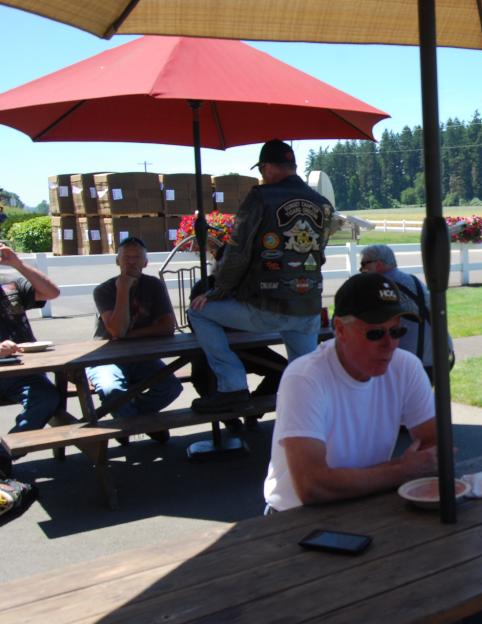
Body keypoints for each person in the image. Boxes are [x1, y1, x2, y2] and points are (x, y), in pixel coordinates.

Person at [263, 272, 482, 624]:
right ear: (339, 330)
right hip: (296, 523)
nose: (390, 344)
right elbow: (313, 485)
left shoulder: (404, 366)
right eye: (375, 333)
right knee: (338, 618)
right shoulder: (305, 378)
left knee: (476, 562)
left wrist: (405, 470)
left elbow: (437, 447)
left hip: (373, 506)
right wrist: (403, 470)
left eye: (397, 331)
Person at [189, 139, 333, 414]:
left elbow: (237, 252)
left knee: (199, 312)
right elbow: (319, 252)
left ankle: (232, 385)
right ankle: (315, 423)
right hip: (307, 305)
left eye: (262, 169)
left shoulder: (260, 197)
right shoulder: (322, 204)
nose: (263, 175)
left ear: (267, 167)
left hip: (267, 304)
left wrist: (218, 290)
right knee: (306, 377)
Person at [87, 237, 182, 443]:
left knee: (171, 387)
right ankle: (141, 424)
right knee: (111, 390)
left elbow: (167, 327)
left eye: (137, 257)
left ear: (145, 262)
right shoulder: (103, 290)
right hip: (106, 357)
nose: (131, 262)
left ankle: (128, 423)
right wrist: (123, 289)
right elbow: (116, 329)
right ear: (117, 261)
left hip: (142, 356)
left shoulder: (154, 285)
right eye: (126, 258)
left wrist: (128, 336)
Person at [188, 245, 286, 431]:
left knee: (282, 369)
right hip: (212, 349)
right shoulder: (204, 285)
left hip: (250, 348)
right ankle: (229, 419)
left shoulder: (250, 287)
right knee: (200, 375)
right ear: (218, 264)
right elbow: (195, 322)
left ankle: (252, 409)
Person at [0, 245, 60, 476]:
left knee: (47, 397)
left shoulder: (9, 284)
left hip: (22, 371)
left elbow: (51, 292)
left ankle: (4, 454)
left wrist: (18, 264)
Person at [358, 244, 453, 384]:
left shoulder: (381, 288)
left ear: (378, 264)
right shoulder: (414, 280)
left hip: (412, 363)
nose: (361, 270)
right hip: (441, 356)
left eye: (364, 264)